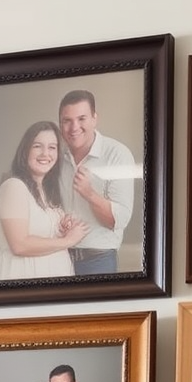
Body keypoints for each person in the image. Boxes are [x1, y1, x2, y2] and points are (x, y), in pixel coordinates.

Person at [0, 121, 87, 281]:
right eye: (37, 146)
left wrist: (61, 228)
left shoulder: (48, 191)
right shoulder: (14, 186)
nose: (45, 154)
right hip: (22, 277)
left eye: (52, 147)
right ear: (25, 150)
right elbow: (20, 245)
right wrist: (68, 240)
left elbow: (41, 233)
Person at [57, 88, 136, 276]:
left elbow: (117, 221)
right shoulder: (55, 156)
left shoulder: (117, 154)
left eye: (81, 119)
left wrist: (89, 193)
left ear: (94, 118)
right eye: (67, 121)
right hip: (58, 256)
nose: (74, 127)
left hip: (98, 260)